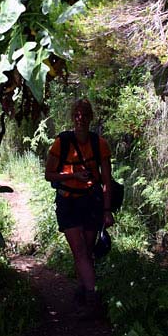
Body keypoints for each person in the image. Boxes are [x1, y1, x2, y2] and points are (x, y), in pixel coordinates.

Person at [45, 98, 114, 317]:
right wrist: (73, 175)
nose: (80, 119)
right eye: (77, 114)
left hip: (91, 202)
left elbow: (107, 180)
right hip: (68, 202)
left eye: (84, 115)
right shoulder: (61, 142)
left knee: (86, 250)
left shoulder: (99, 144)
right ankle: (93, 298)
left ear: (90, 117)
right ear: (72, 117)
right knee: (80, 250)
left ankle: (83, 290)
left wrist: (107, 210)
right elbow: (49, 174)